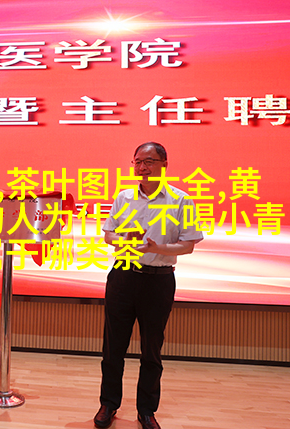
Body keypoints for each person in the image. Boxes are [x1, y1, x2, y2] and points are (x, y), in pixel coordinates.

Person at [94, 142, 203, 429]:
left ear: (164, 165)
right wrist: (123, 240)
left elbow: (188, 245)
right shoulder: (124, 197)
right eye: (138, 162)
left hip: (159, 280)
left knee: (152, 349)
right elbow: (108, 234)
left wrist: (158, 248)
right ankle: (108, 404)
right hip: (123, 277)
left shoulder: (181, 200)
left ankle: (146, 410)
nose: (143, 167)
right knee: (113, 346)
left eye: (149, 161)